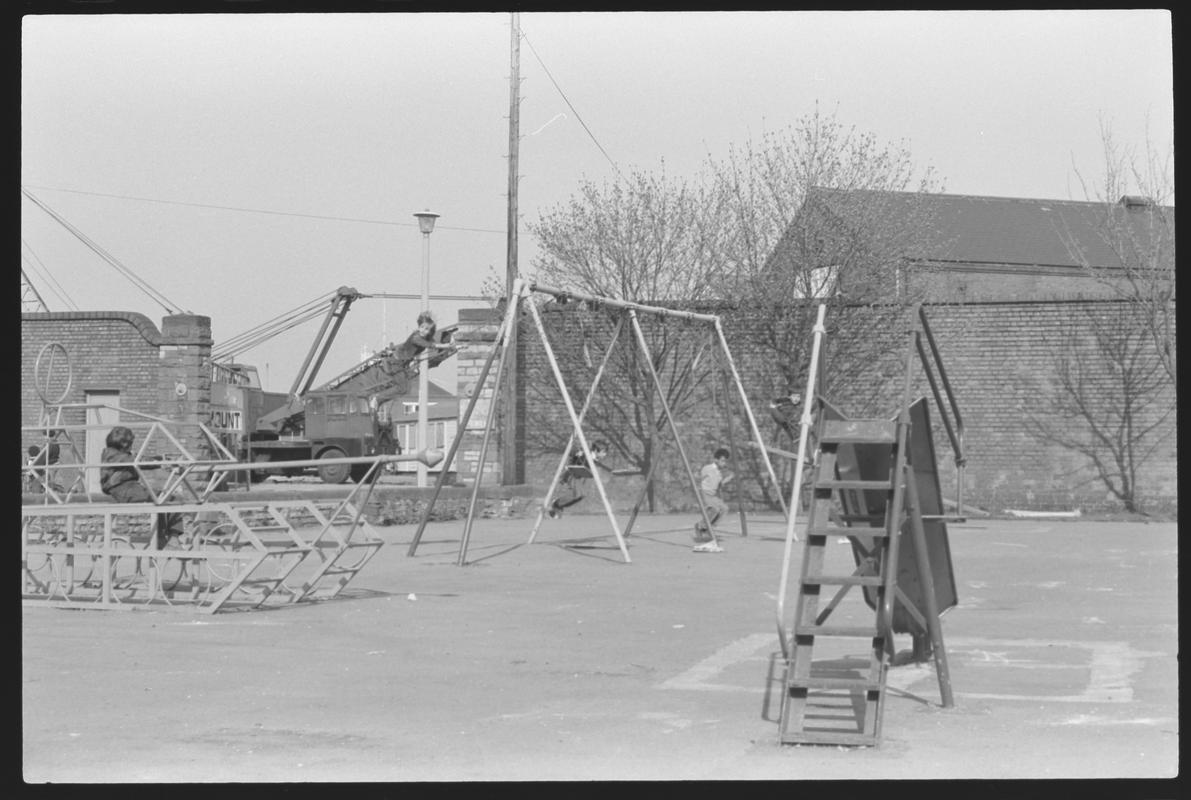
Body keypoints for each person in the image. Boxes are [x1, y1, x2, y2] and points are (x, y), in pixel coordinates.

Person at [100, 426, 184, 549]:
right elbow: (135, 460)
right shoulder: (111, 454)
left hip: (133, 488)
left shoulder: (124, 454)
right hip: (122, 489)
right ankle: (162, 538)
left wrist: (165, 460)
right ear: (124, 443)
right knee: (161, 497)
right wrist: (161, 463)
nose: (131, 446)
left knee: (169, 497)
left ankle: (172, 537)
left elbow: (142, 459)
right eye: (130, 443)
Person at [547, 439, 610, 519]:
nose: (605, 454)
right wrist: (577, 453)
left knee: (581, 496)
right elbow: (574, 455)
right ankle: (556, 503)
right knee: (576, 495)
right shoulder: (586, 454)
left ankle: (559, 506)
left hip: (578, 477)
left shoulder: (594, 459)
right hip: (572, 474)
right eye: (604, 452)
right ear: (596, 450)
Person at [694, 447, 734, 547]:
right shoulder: (708, 468)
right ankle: (700, 525)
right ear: (716, 460)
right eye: (722, 460)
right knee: (715, 509)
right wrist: (697, 480)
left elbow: (720, 485)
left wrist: (728, 479)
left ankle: (709, 527)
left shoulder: (719, 472)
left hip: (713, 495)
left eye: (725, 461)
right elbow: (699, 478)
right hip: (705, 493)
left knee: (725, 508)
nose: (724, 463)